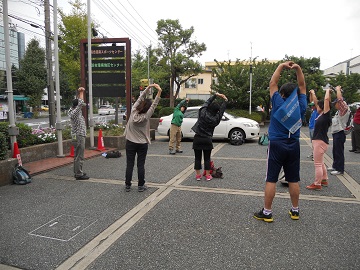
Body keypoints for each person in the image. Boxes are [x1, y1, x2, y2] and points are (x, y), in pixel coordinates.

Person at [254, 61, 307, 222]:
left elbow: (273, 83)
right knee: (293, 178)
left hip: (276, 144)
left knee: (271, 178)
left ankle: (268, 212)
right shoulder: (300, 105)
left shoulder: (278, 103)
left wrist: (282, 66)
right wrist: (297, 68)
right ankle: (295, 210)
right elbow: (303, 85)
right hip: (294, 144)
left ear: (282, 93)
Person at [124, 84, 162, 192]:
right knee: (141, 164)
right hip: (142, 144)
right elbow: (155, 103)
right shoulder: (146, 116)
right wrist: (159, 91)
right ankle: (141, 185)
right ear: (147, 108)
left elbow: (141, 98)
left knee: (130, 164)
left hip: (130, 142)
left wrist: (148, 88)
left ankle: (128, 185)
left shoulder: (133, 111)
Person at [191, 92, 228, 181]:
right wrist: (225, 100)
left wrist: (215, 95)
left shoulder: (202, 112)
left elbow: (206, 103)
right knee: (207, 158)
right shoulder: (216, 119)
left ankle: (198, 175)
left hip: (198, 137)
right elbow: (222, 111)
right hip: (207, 139)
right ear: (216, 111)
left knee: (197, 158)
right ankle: (207, 175)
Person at [306, 88, 332, 190]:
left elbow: (326, 101)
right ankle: (324, 179)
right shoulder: (322, 115)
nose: (317, 107)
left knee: (317, 163)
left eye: (319, 106)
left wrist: (327, 90)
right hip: (321, 141)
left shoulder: (325, 115)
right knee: (320, 162)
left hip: (319, 141)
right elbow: (320, 103)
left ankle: (317, 183)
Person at [68, 87, 89, 180]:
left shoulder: (71, 111)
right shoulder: (75, 113)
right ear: (77, 107)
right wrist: (81, 92)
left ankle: (78, 172)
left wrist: (78, 94)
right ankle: (78, 174)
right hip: (79, 135)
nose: (82, 107)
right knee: (79, 155)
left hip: (75, 135)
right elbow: (80, 103)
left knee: (77, 155)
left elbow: (78, 103)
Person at [327, 86, 349, 175]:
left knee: (339, 151)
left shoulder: (344, 109)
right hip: (336, 133)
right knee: (335, 150)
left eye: (335, 103)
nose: (335, 104)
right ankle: (335, 166)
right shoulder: (338, 112)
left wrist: (338, 90)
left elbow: (340, 100)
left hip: (340, 133)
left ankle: (340, 169)